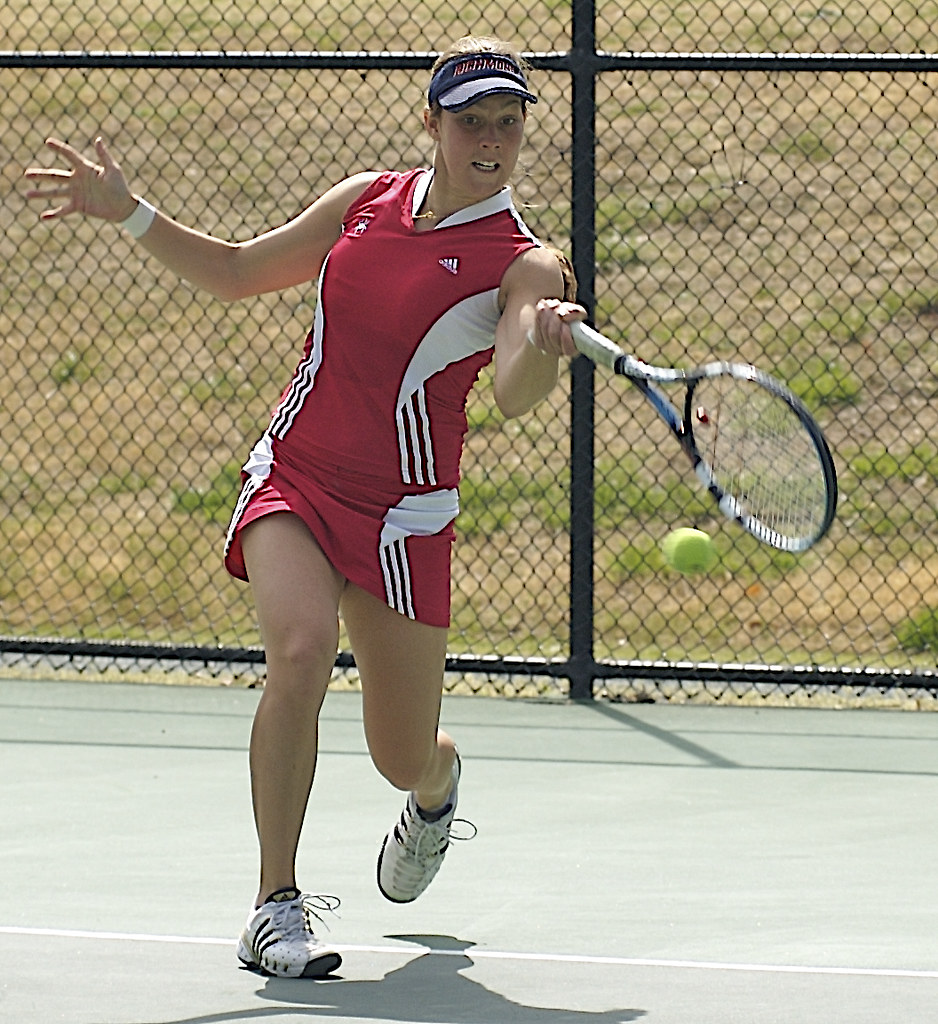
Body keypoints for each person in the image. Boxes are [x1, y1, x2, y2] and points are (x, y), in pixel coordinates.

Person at [25, 35, 586, 978]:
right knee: (298, 652)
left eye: (508, 121)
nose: (491, 138)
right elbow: (240, 270)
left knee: (400, 755)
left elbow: (512, 389)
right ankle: (272, 905)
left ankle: (438, 783)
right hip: (296, 473)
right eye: (471, 120)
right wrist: (130, 214)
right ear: (432, 125)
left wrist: (545, 338)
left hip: (406, 519)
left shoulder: (525, 260)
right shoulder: (364, 201)